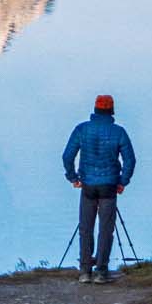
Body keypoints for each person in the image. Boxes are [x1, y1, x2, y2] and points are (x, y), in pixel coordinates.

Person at [62, 94, 136, 282]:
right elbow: (130, 160)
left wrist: (73, 177)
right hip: (109, 186)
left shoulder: (82, 129)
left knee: (86, 228)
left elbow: (67, 156)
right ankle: (101, 272)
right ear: (111, 111)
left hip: (87, 185)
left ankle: (85, 271)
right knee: (106, 229)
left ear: (95, 110)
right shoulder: (118, 132)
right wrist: (123, 181)